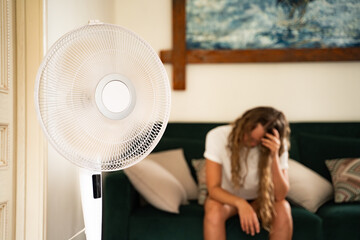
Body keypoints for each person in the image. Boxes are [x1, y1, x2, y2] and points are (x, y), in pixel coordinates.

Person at [203, 106, 293, 240]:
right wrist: (241, 204)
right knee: (213, 211)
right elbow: (213, 189)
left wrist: (273, 157)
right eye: (247, 133)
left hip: (261, 199)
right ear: (243, 123)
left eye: (255, 142)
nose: (247, 141)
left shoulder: (278, 145)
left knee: (283, 208)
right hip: (228, 200)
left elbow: (280, 195)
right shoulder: (216, 136)